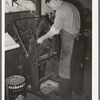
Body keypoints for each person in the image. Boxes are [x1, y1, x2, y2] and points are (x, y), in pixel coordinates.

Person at [37, 0, 84, 100]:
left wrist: (42, 38)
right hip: (79, 41)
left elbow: (55, 30)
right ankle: (78, 90)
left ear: (53, 1)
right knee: (76, 68)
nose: (52, 9)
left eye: (50, 6)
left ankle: (65, 95)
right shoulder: (71, 6)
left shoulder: (61, 10)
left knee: (65, 69)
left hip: (70, 43)